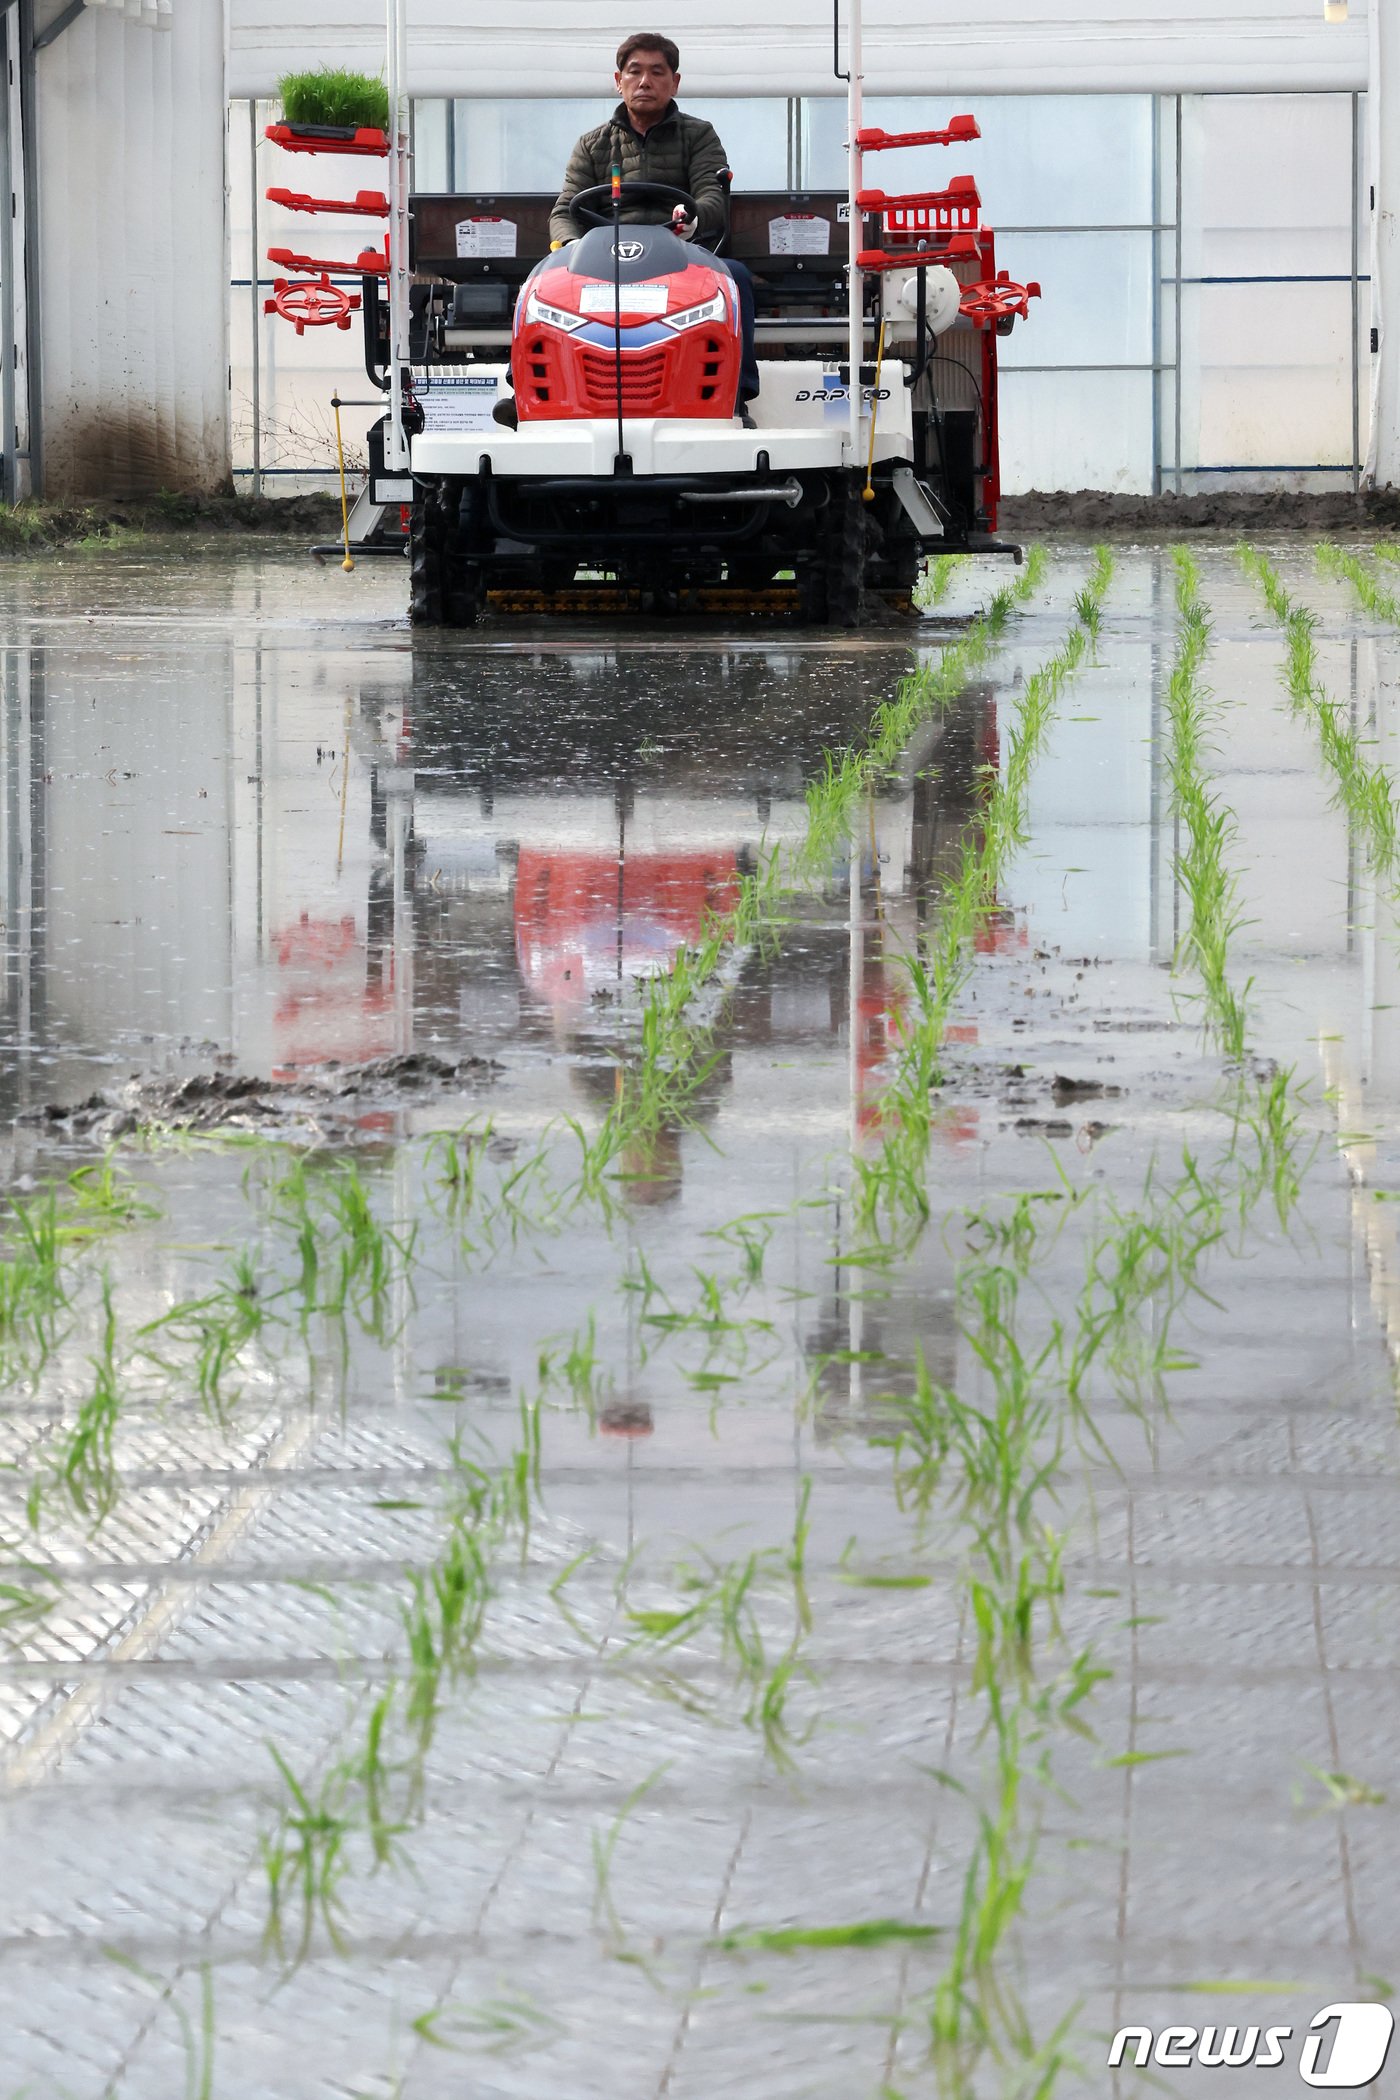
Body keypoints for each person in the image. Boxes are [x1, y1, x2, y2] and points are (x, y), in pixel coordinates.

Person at [549, 31, 759, 416]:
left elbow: (713, 197)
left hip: (679, 259)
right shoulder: (591, 144)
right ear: (618, 81)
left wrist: (692, 215)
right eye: (634, 72)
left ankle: (736, 398)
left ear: (674, 81)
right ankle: (524, 395)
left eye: (657, 72)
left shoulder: (699, 135)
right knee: (540, 282)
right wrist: (569, 247)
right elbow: (565, 210)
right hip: (602, 262)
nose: (644, 82)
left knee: (735, 277)